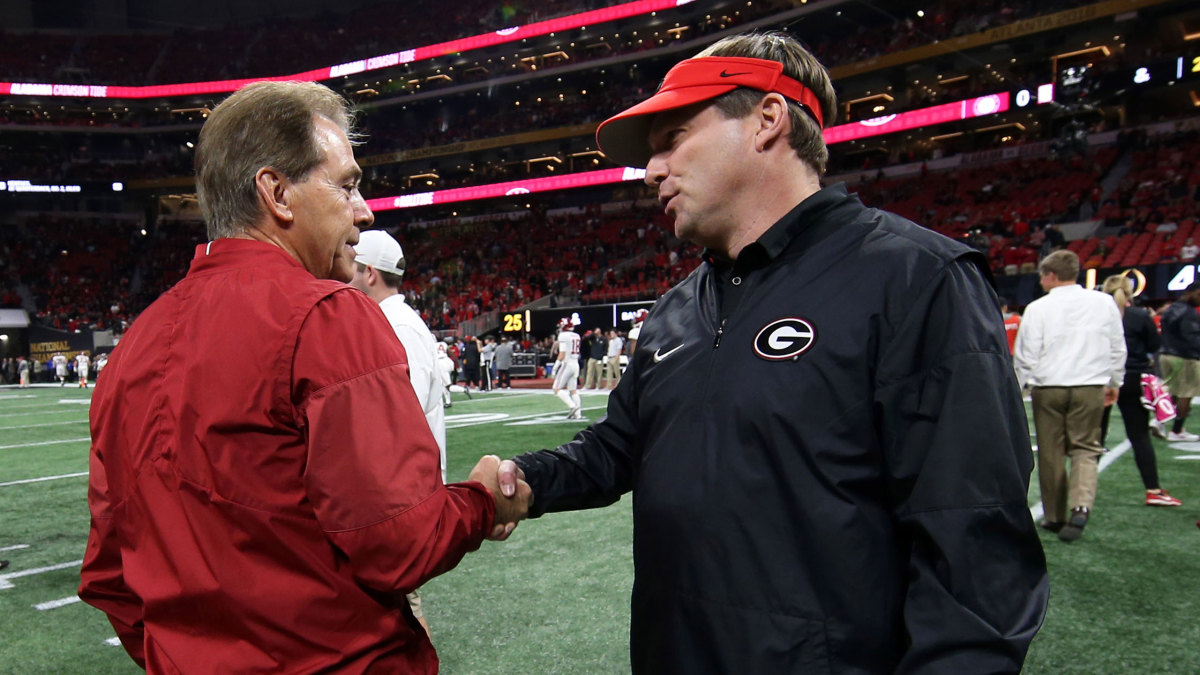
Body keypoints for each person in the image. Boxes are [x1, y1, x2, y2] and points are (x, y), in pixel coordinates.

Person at [496, 31, 1047, 672]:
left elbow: (973, 549)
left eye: (671, 139)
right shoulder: (679, 306)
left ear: (766, 120)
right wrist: (525, 481)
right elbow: (620, 447)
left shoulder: (916, 279)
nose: (650, 171)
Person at [78, 81, 530, 673]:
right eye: (346, 184)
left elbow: (109, 573)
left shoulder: (134, 344)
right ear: (277, 193)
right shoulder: (327, 314)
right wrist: (480, 503)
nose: (363, 209)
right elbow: (401, 543)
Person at [348, 229, 450, 639]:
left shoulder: (397, 327)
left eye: (352, 270)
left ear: (369, 273)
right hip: (402, 490)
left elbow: (397, 419)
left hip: (400, 494)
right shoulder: (397, 322)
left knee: (402, 609)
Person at [1013, 250, 1126, 541]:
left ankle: (1054, 515)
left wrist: (1018, 387)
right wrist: (1115, 381)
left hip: (1048, 388)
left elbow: (1026, 356)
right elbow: (1116, 346)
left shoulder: (1038, 308)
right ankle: (1081, 506)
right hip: (1090, 386)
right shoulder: (1104, 303)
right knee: (1086, 448)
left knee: (1051, 453)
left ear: (1051, 275)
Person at [1098, 275, 1181, 506]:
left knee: (1094, 439)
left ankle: (1080, 495)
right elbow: (1154, 345)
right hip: (1133, 378)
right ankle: (1153, 490)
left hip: (1101, 378)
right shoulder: (1140, 315)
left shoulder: (1098, 315)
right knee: (1139, 435)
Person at [1157, 281, 1200, 441]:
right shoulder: (1189, 312)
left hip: (1165, 355)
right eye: (1198, 295)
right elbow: (1192, 337)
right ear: (1188, 293)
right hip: (1183, 357)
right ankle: (1177, 430)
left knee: (1172, 391)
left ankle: (1159, 421)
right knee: (1186, 393)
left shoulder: (1171, 308)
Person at [551, 317, 583, 419]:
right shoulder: (577, 335)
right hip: (576, 363)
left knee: (556, 388)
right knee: (573, 390)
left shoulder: (563, 335)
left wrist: (555, 367)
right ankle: (578, 414)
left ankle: (572, 406)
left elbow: (562, 353)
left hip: (567, 364)